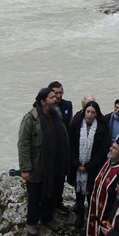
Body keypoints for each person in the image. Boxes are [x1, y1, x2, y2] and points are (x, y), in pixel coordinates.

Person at [17, 88, 70, 236]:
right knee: (34, 195)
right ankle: (32, 222)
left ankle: (47, 217)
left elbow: (64, 138)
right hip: (37, 165)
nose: (55, 99)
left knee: (50, 192)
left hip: (54, 163)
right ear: (42, 101)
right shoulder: (30, 119)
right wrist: (25, 168)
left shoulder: (56, 114)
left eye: (55, 96)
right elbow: (23, 144)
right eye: (52, 97)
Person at [69, 101, 111, 229]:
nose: (90, 115)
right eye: (88, 111)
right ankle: (80, 215)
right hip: (77, 167)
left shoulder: (102, 129)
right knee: (79, 193)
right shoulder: (76, 125)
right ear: (84, 111)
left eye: (93, 112)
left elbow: (103, 151)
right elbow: (70, 146)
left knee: (91, 193)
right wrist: (76, 163)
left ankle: (91, 217)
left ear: (97, 114)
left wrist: (88, 166)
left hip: (93, 168)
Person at [86, 134, 119, 236]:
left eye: (114, 148)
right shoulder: (109, 161)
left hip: (109, 217)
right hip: (95, 211)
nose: (110, 148)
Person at [49, 81, 73, 215]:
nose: (58, 96)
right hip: (50, 148)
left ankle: (58, 203)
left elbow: (70, 126)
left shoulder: (67, 105)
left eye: (60, 92)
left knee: (60, 179)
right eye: (55, 93)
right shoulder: (45, 107)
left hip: (63, 149)